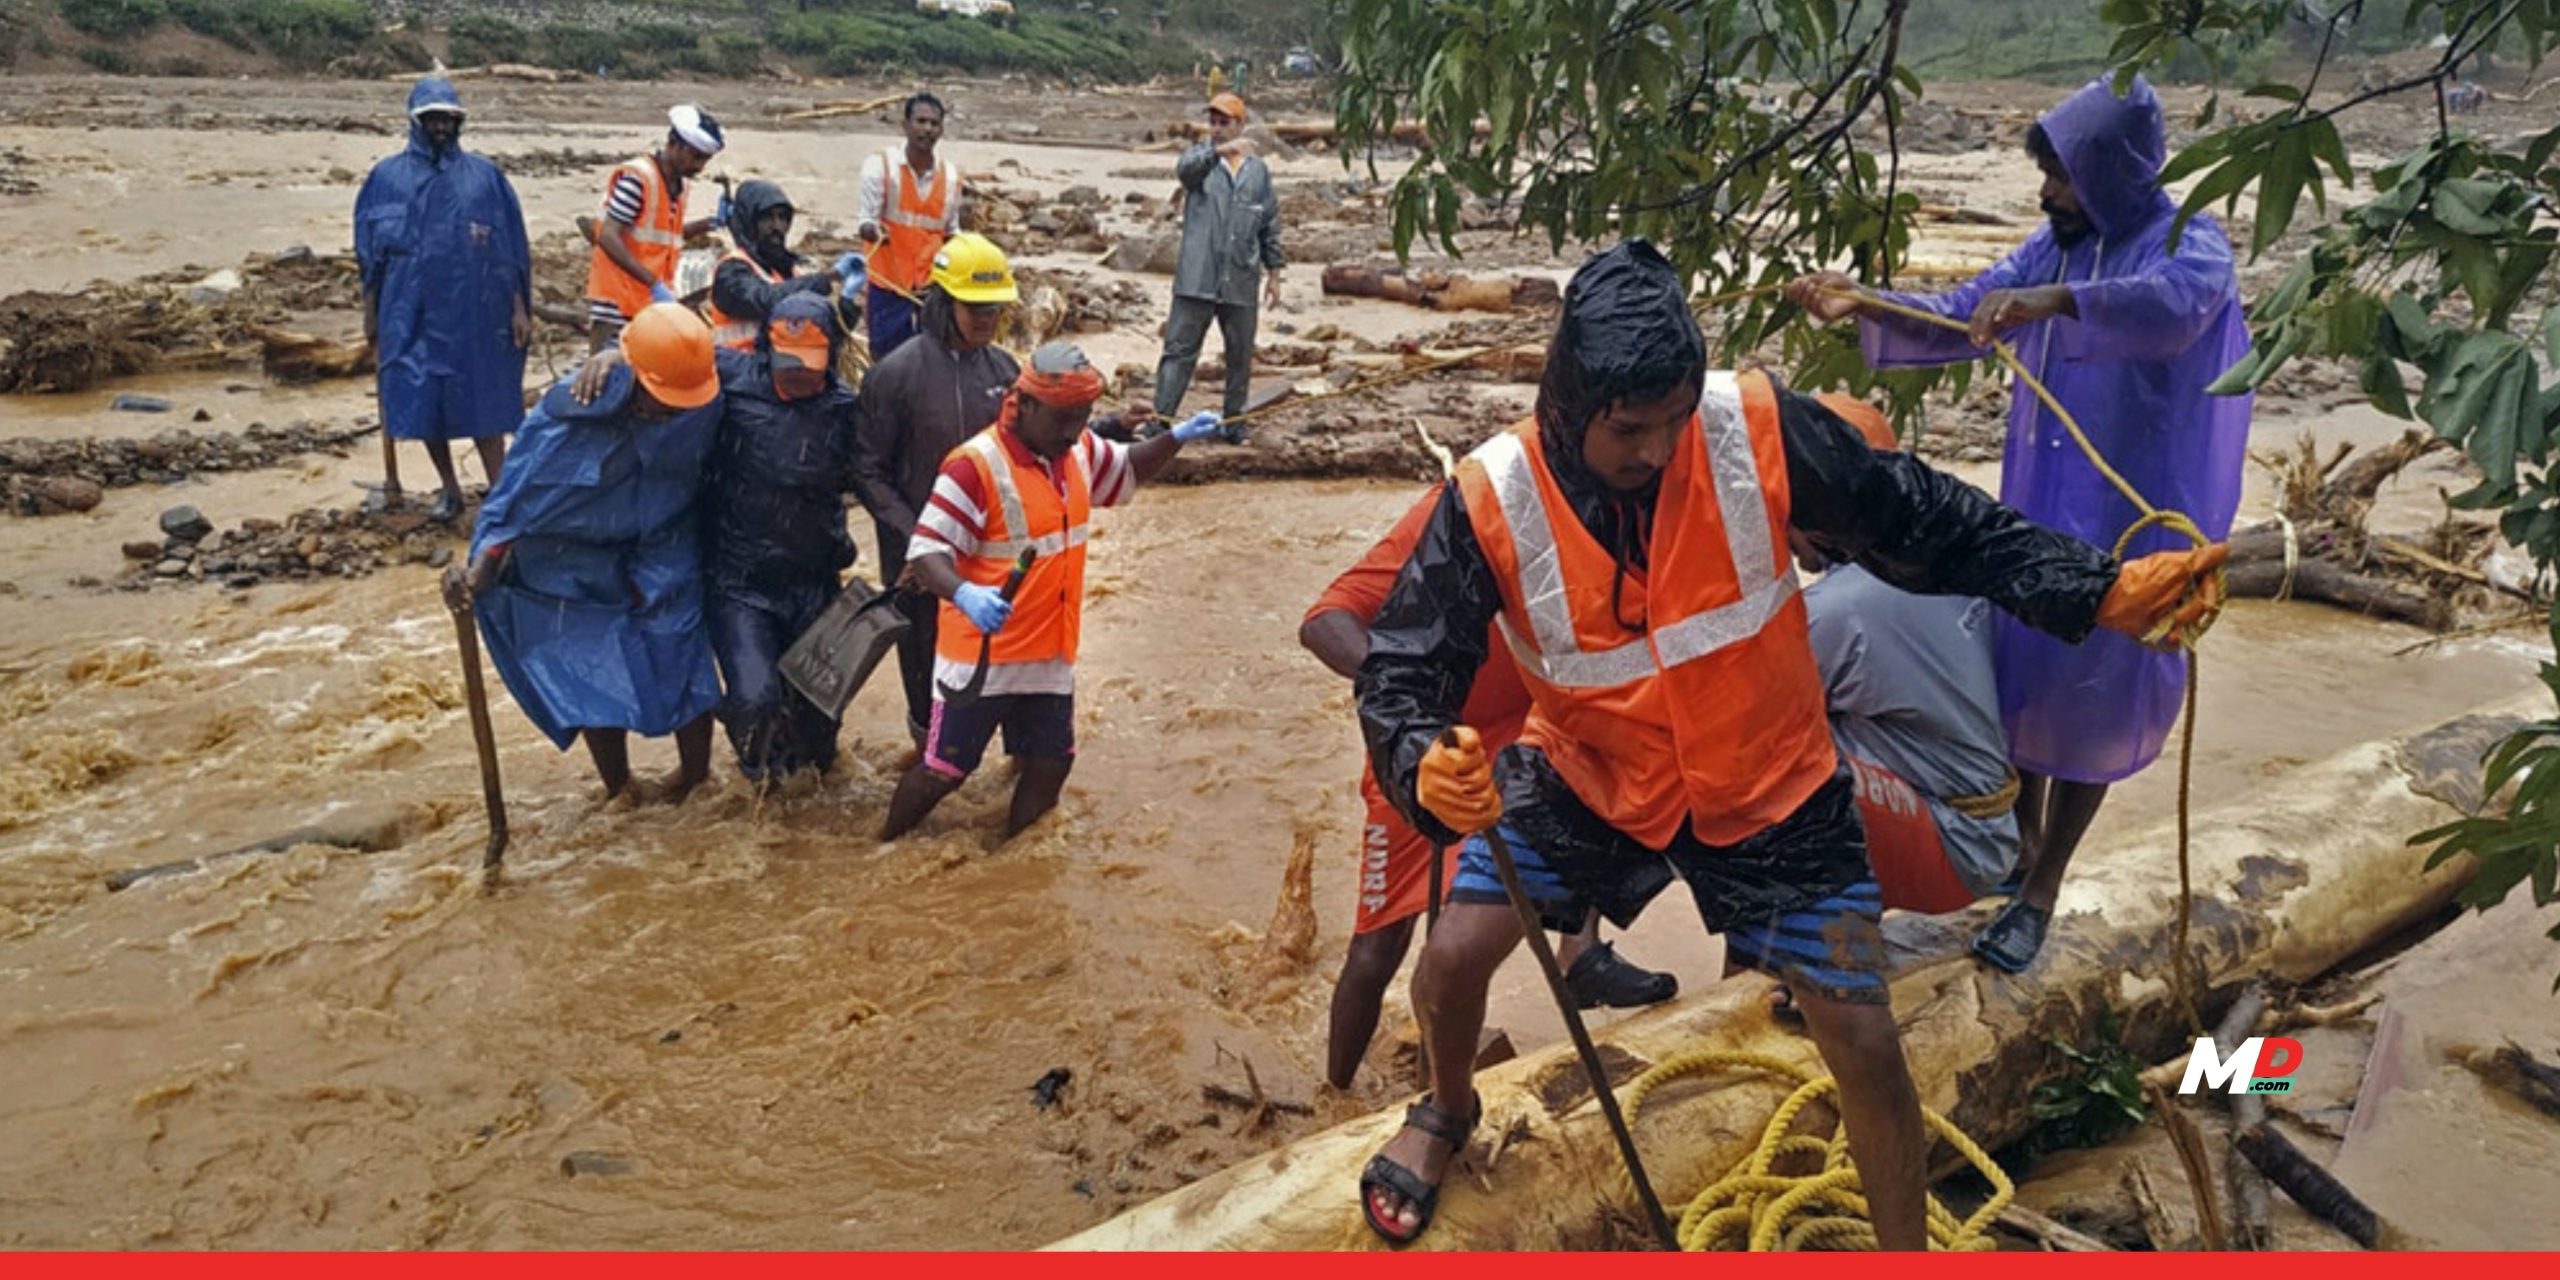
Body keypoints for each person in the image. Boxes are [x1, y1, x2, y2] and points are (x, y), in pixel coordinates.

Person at [1352, 241, 2229, 1246]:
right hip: (1589, 770)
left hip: (1771, 781)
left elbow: (1931, 520)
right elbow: (1401, 667)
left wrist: (2099, 590)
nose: (1654, 450)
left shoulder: (1753, 427)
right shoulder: (1487, 495)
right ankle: (1445, 1108)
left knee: (1862, 1037)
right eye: (1627, 429)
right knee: (1452, 958)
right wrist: (1421, 759)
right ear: (1565, 405)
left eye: (1671, 421)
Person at [1783, 73, 2252, 975]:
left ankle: (2043, 891)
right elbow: (1971, 308)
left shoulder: (2190, 242)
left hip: (2138, 515)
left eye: (2064, 178)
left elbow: (2173, 306)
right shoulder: (2057, 244)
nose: (2049, 194)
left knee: (2095, 693)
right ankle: (2021, 854)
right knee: (2025, 676)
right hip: (2044, 495)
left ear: (2114, 173)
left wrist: (2061, 305)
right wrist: (1865, 301)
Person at [1302, 486, 1677, 1092]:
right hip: (1427, 748)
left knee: (1591, 784)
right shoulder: (1449, 518)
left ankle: (1577, 953)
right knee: (1378, 950)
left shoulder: (1606, 519)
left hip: (1523, 733)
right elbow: (1323, 622)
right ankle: (1334, 1093)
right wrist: (1405, 698)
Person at [880, 343, 1200, 841]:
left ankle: (1011, 865)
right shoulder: (974, 465)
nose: (1074, 430)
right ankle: (883, 846)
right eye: (1063, 418)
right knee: (944, 770)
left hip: (1049, 650)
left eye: (1083, 417)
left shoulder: (1076, 451)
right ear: (1023, 405)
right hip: (982, 658)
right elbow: (926, 551)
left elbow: (1128, 468)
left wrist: (1174, 439)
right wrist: (964, 594)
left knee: (1051, 764)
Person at [445, 303, 727, 802]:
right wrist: (480, 571)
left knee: (679, 645)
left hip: (662, 536)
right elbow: (517, 497)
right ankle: (620, 790)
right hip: (571, 551)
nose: (670, 412)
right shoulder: (572, 408)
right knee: (587, 661)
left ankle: (696, 782)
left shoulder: (700, 388)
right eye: (661, 401)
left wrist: (614, 351)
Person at [851, 233, 1026, 750]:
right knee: (926, 668)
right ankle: (929, 761)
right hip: (917, 562)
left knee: (999, 661)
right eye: (975, 309)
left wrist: (1112, 430)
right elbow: (868, 471)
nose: (986, 320)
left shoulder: (1004, 372)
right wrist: (918, 543)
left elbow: (1036, 447)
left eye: (994, 309)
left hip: (988, 553)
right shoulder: (895, 374)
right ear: (943, 303)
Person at [698, 294, 861, 781]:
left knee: (820, 716)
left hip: (814, 579)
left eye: (810, 366)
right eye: (788, 364)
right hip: (740, 582)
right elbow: (660, 347)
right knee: (754, 699)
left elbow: (876, 475)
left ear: (830, 356)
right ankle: (758, 788)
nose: (798, 375)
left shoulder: (846, 409)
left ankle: (810, 798)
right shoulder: (730, 377)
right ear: (768, 349)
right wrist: (608, 356)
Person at [353, 77, 530, 524]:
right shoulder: (386, 179)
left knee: (485, 402)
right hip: (410, 311)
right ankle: (449, 489)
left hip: (476, 309)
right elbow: (369, 254)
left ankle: (502, 493)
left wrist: (519, 307)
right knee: (424, 401)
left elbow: (511, 247)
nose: (441, 126)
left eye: (448, 118)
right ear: (416, 120)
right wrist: (371, 313)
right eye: (432, 118)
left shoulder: (485, 178)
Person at [1153, 92, 1284, 422]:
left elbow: (1269, 222)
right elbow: (1184, 172)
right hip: (1196, 280)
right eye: (1212, 122)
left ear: (1241, 125)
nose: (1217, 129)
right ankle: (1161, 420)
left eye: (1224, 123)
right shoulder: (1199, 161)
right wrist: (1216, 153)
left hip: (1240, 280)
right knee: (1179, 353)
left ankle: (1234, 423)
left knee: (1240, 357)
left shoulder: (1258, 173)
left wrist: (1275, 274)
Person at [585, 104, 726, 350]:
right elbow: (608, 236)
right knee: (611, 380)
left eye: (705, 159)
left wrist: (708, 224)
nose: (700, 166)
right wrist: (653, 283)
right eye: (695, 157)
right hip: (617, 306)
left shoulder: (679, 188)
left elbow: (665, 237)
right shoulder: (637, 180)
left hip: (648, 306)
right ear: (674, 143)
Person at [854, 93, 963, 363]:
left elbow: (951, 232)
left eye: (934, 123)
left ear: (941, 129)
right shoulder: (880, 167)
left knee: (934, 358)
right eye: (921, 121)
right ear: (905, 125)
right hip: (888, 282)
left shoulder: (950, 177)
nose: (927, 129)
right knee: (885, 357)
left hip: (930, 285)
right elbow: (866, 221)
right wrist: (873, 231)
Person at [704, 179, 859, 352]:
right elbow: (763, 300)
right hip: (736, 369)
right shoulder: (731, 271)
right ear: (749, 220)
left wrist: (847, 303)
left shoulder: (790, 273)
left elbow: (822, 336)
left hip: (780, 370)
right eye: (767, 218)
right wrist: (828, 277)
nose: (777, 226)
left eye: (782, 217)